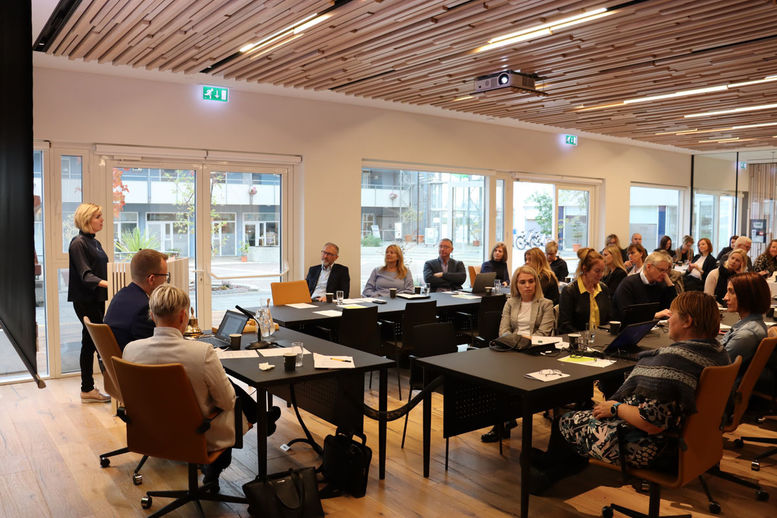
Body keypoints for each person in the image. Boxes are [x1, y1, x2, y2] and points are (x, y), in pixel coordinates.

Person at [539, 292, 730, 494]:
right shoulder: (718, 353)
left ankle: (544, 478)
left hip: (652, 448)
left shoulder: (674, 361)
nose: (668, 319)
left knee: (564, 421)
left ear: (687, 321)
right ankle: (560, 466)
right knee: (589, 413)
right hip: (689, 443)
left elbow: (651, 423)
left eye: (672, 314)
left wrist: (615, 407)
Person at [123, 285, 275, 489]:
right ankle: (215, 467)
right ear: (183, 316)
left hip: (150, 434)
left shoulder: (130, 350)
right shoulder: (201, 353)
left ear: (151, 315)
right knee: (226, 399)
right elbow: (227, 402)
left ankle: (263, 419)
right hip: (196, 436)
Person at [481, 265, 554, 443]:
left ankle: (506, 421)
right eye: (522, 282)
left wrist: (520, 340)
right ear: (516, 285)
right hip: (511, 350)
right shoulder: (510, 302)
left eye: (531, 281)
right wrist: (516, 341)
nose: (527, 285)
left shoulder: (546, 304)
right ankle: (502, 422)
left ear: (536, 283)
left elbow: (543, 335)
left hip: (534, 353)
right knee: (496, 378)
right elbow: (503, 331)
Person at [68, 203, 110, 403]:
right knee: (97, 342)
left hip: (97, 298)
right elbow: (86, 275)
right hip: (85, 300)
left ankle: (87, 389)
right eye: (98, 216)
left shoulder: (95, 243)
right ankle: (95, 388)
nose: (102, 219)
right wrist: (109, 283)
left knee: (89, 342)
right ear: (87, 219)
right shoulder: (78, 243)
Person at [104, 249, 169, 350]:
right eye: (165, 276)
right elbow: (157, 347)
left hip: (114, 357)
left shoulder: (120, 295)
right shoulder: (144, 308)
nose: (165, 280)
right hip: (131, 358)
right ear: (151, 279)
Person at [721, 272, 771, 378]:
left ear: (747, 295)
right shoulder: (753, 325)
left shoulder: (746, 335)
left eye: (731, 292)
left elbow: (715, 364)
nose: (725, 298)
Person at [557, 248, 611, 334]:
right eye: (597, 271)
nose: (601, 275)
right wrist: (584, 338)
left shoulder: (603, 289)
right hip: (577, 339)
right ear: (585, 269)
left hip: (600, 338)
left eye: (602, 271)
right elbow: (564, 325)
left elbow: (608, 319)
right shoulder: (570, 291)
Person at [613, 251, 676, 321]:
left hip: (653, 325)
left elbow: (672, 309)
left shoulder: (660, 284)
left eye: (665, 271)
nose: (664, 274)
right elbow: (626, 315)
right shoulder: (628, 284)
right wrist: (655, 315)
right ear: (648, 267)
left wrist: (670, 285)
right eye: (661, 270)